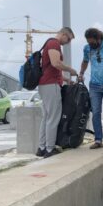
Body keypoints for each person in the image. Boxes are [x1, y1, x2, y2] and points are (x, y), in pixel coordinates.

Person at [36, 27, 78, 158]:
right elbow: (56, 63)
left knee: (47, 117)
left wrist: (66, 80)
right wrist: (70, 70)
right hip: (51, 85)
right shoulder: (54, 43)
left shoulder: (49, 43)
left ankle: (41, 147)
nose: (68, 42)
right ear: (64, 34)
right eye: (69, 39)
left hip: (45, 84)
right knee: (53, 117)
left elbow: (51, 68)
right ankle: (49, 149)